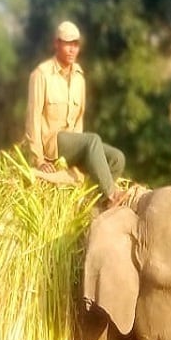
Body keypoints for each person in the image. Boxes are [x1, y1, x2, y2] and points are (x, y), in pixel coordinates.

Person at [24, 20, 127, 208]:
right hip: (52, 144)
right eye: (67, 44)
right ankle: (112, 194)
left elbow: (79, 119)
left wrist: (83, 156)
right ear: (56, 44)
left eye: (75, 44)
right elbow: (33, 119)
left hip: (73, 144)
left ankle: (96, 205)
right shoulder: (41, 74)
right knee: (93, 140)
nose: (72, 49)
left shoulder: (79, 77)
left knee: (117, 158)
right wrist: (38, 159)